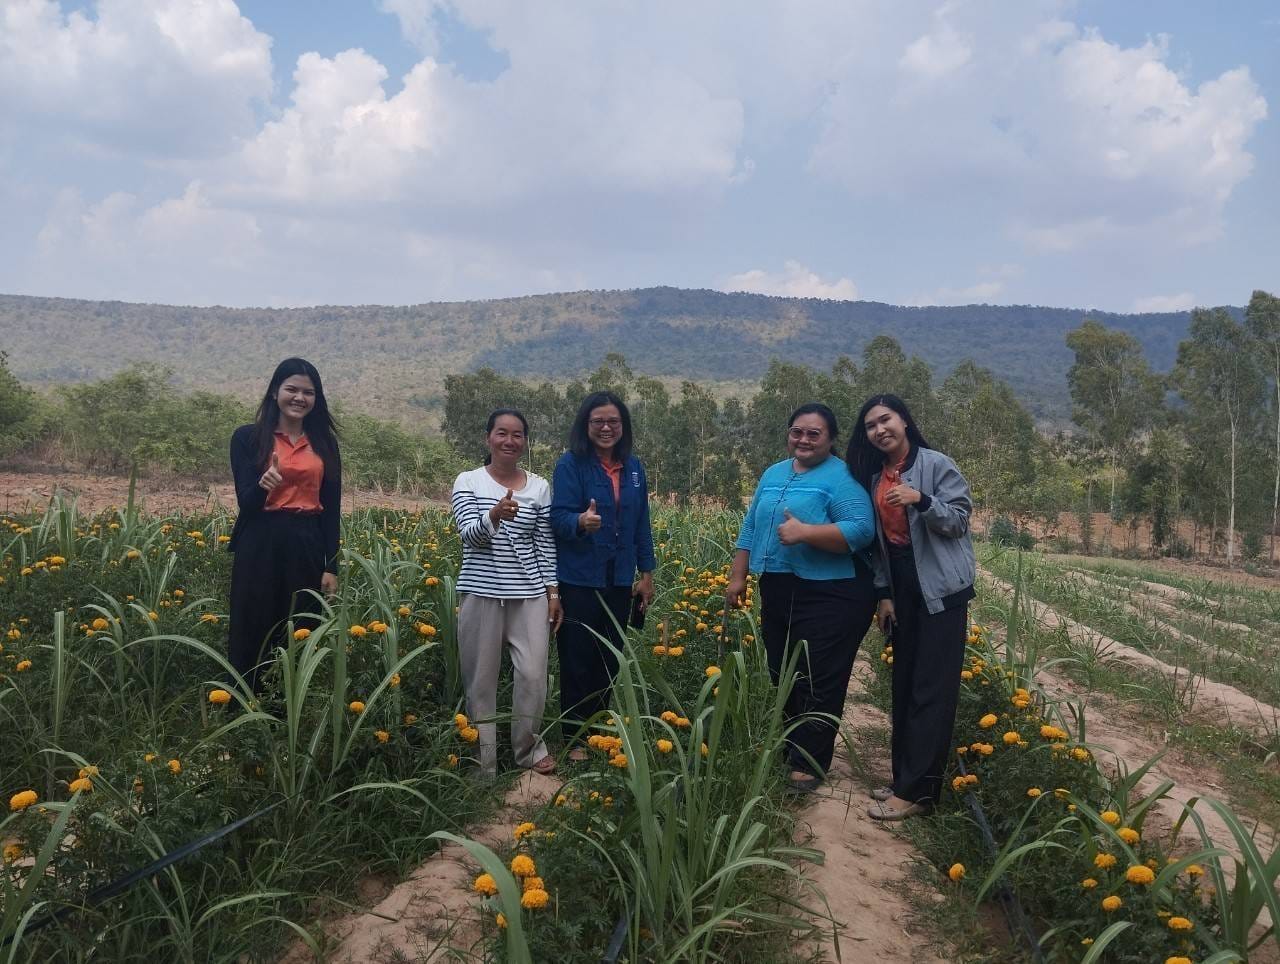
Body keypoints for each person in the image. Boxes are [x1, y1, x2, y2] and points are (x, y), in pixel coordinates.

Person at [725, 403, 876, 794]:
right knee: (783, 670)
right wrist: (738, 575)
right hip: (779, 584)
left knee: (819, 675)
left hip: (833, 592)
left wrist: (807, 532)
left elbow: (860, 530)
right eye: (797, 431)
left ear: (830, 439)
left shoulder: (843, 477)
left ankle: (808, 762)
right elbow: (750, 526)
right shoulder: (774, 473)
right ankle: (792, 744)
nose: (803, 440)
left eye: (814, 434)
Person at [846, 393, 976, 820]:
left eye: (885, 420)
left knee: (931, 690)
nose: (879, 430)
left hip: (940, 590)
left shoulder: (936, 465)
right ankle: (904, 779)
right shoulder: (875, 478)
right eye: (871, 426)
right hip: (901, 587)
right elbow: (882, 548)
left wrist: (921, 500)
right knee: (903, 685)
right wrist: (884, 593)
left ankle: (918, 794)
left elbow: (958, 522)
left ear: (904, 420)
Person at [451, 409, 560, 778]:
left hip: (529, 595)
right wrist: (494, 515)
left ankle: (528, 749)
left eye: (517, 435)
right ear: (488, 438)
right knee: (480, 680)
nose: (509, 441)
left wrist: (553, 592)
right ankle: (484, 762)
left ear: (525, 442)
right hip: (480, 594)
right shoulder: (468, 481)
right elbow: (469, 536)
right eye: (502, 433)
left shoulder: (539, 487)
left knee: (532, 674)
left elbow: (545, 544)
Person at [550, 391, 655, 760]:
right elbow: (557, 518)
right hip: (579, 579)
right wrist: (580, 521)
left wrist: (647, 573)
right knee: (577, 658)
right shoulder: (570, 465)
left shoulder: (635, 468)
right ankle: (575, 736)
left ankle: (597, 728)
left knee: (609, 657)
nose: (607, 428)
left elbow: (641, 522)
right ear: (586, 425)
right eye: (598, 422)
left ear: (623, 426)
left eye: (613, 422)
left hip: (619, 579)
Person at [227, 358, 341, 692]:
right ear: (275, 391)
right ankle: (243, 702)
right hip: (259, 541)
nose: (299, 397)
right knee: (253, 623)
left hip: (306, 541)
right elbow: (245, 504)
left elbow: (331, 509)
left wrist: (331, 565)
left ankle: (287, 707)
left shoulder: (324, 444)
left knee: (300, 625)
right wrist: (265, 484)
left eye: (308, 392)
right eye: (292, 389)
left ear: (316, 399)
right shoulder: (247, 438)